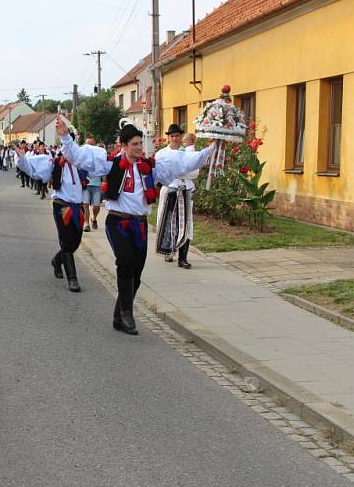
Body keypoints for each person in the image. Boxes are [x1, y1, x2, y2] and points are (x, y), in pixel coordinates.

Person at [56, 118, 213, 335]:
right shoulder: (109, 163)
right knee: (126, 262)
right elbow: (79, 156)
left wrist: (211, 149)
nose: (139, 148)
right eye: (135, 144)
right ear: (124, 145)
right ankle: (128, 313)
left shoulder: (149, 167)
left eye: (141, 144)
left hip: (139, 224)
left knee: (136, 274)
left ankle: (118, 315)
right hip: (118, 222)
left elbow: (182, 164)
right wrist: (65, 136)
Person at [16, 135, 86, 292]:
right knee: (67, 242)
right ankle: (73, 279)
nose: (69, 148)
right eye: (66, 144)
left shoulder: (80, 161)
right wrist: (21, 159)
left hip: (78, 206)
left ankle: (57, 260)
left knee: (76, 241)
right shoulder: (52, 161)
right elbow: (32, 170)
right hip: (62, 205)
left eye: (72, 145)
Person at [155, 124, 199, 268]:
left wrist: (177, 171)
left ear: (181, 137)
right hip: (170, 190)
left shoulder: (189, 152)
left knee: (186, 223)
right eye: (172, 136)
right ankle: (168, 251)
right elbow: (161, 173)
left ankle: (183, 257)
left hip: (186, 189)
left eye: (177, 136)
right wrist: (181, 170)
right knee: (168, 221)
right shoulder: (162, 153)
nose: (175, 138)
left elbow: (194, 173)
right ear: (169, 137)